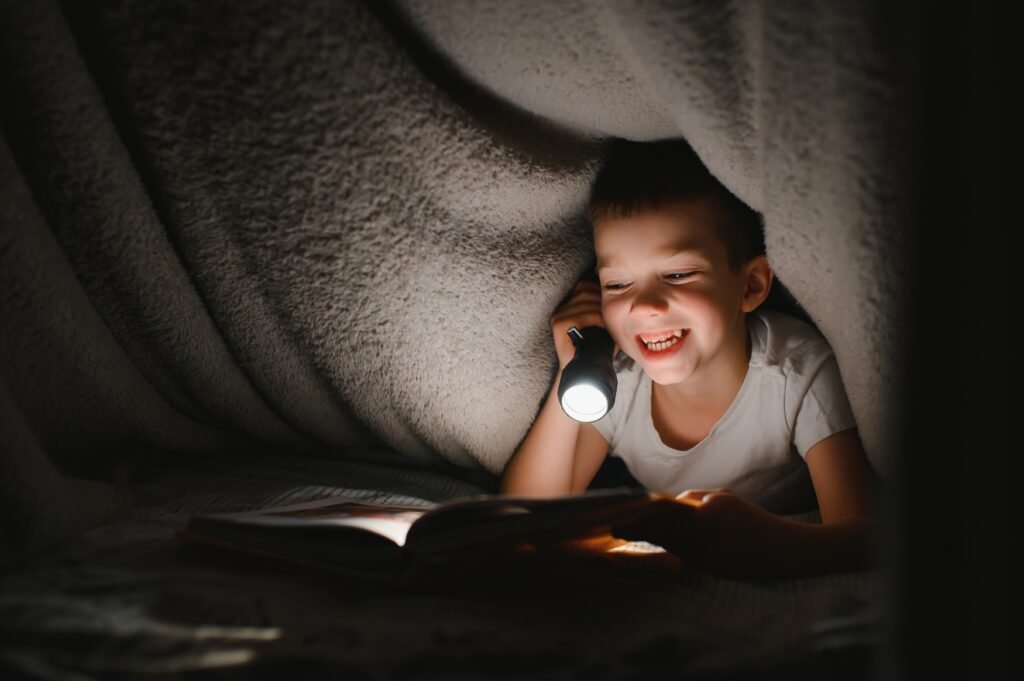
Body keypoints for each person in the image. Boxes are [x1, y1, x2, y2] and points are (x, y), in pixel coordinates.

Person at [500, 139, 878, 578]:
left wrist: (760, 541)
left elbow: (863, 536)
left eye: (678, 274)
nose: (643, 307)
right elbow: (520, 513)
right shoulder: (616, 382)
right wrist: (574, 366)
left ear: (751, 286)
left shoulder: (796, 373)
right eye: (618, 285)